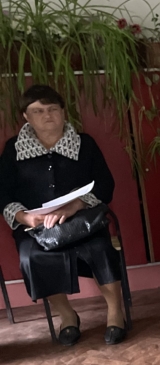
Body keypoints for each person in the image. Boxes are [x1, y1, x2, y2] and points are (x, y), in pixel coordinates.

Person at [0, 84, 127, 345]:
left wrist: (76, 205)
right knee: (32, 257)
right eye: (38, 111)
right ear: (26, 116)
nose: (47, 115)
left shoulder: (85, 144)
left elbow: (106, 186)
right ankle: (68, 316)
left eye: (52, 109)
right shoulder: (14, 149)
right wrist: (25, 218)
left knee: (101, 249)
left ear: (63, 112)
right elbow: (2, 193)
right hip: (36, 227)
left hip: (83, 223)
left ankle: (116, 313)